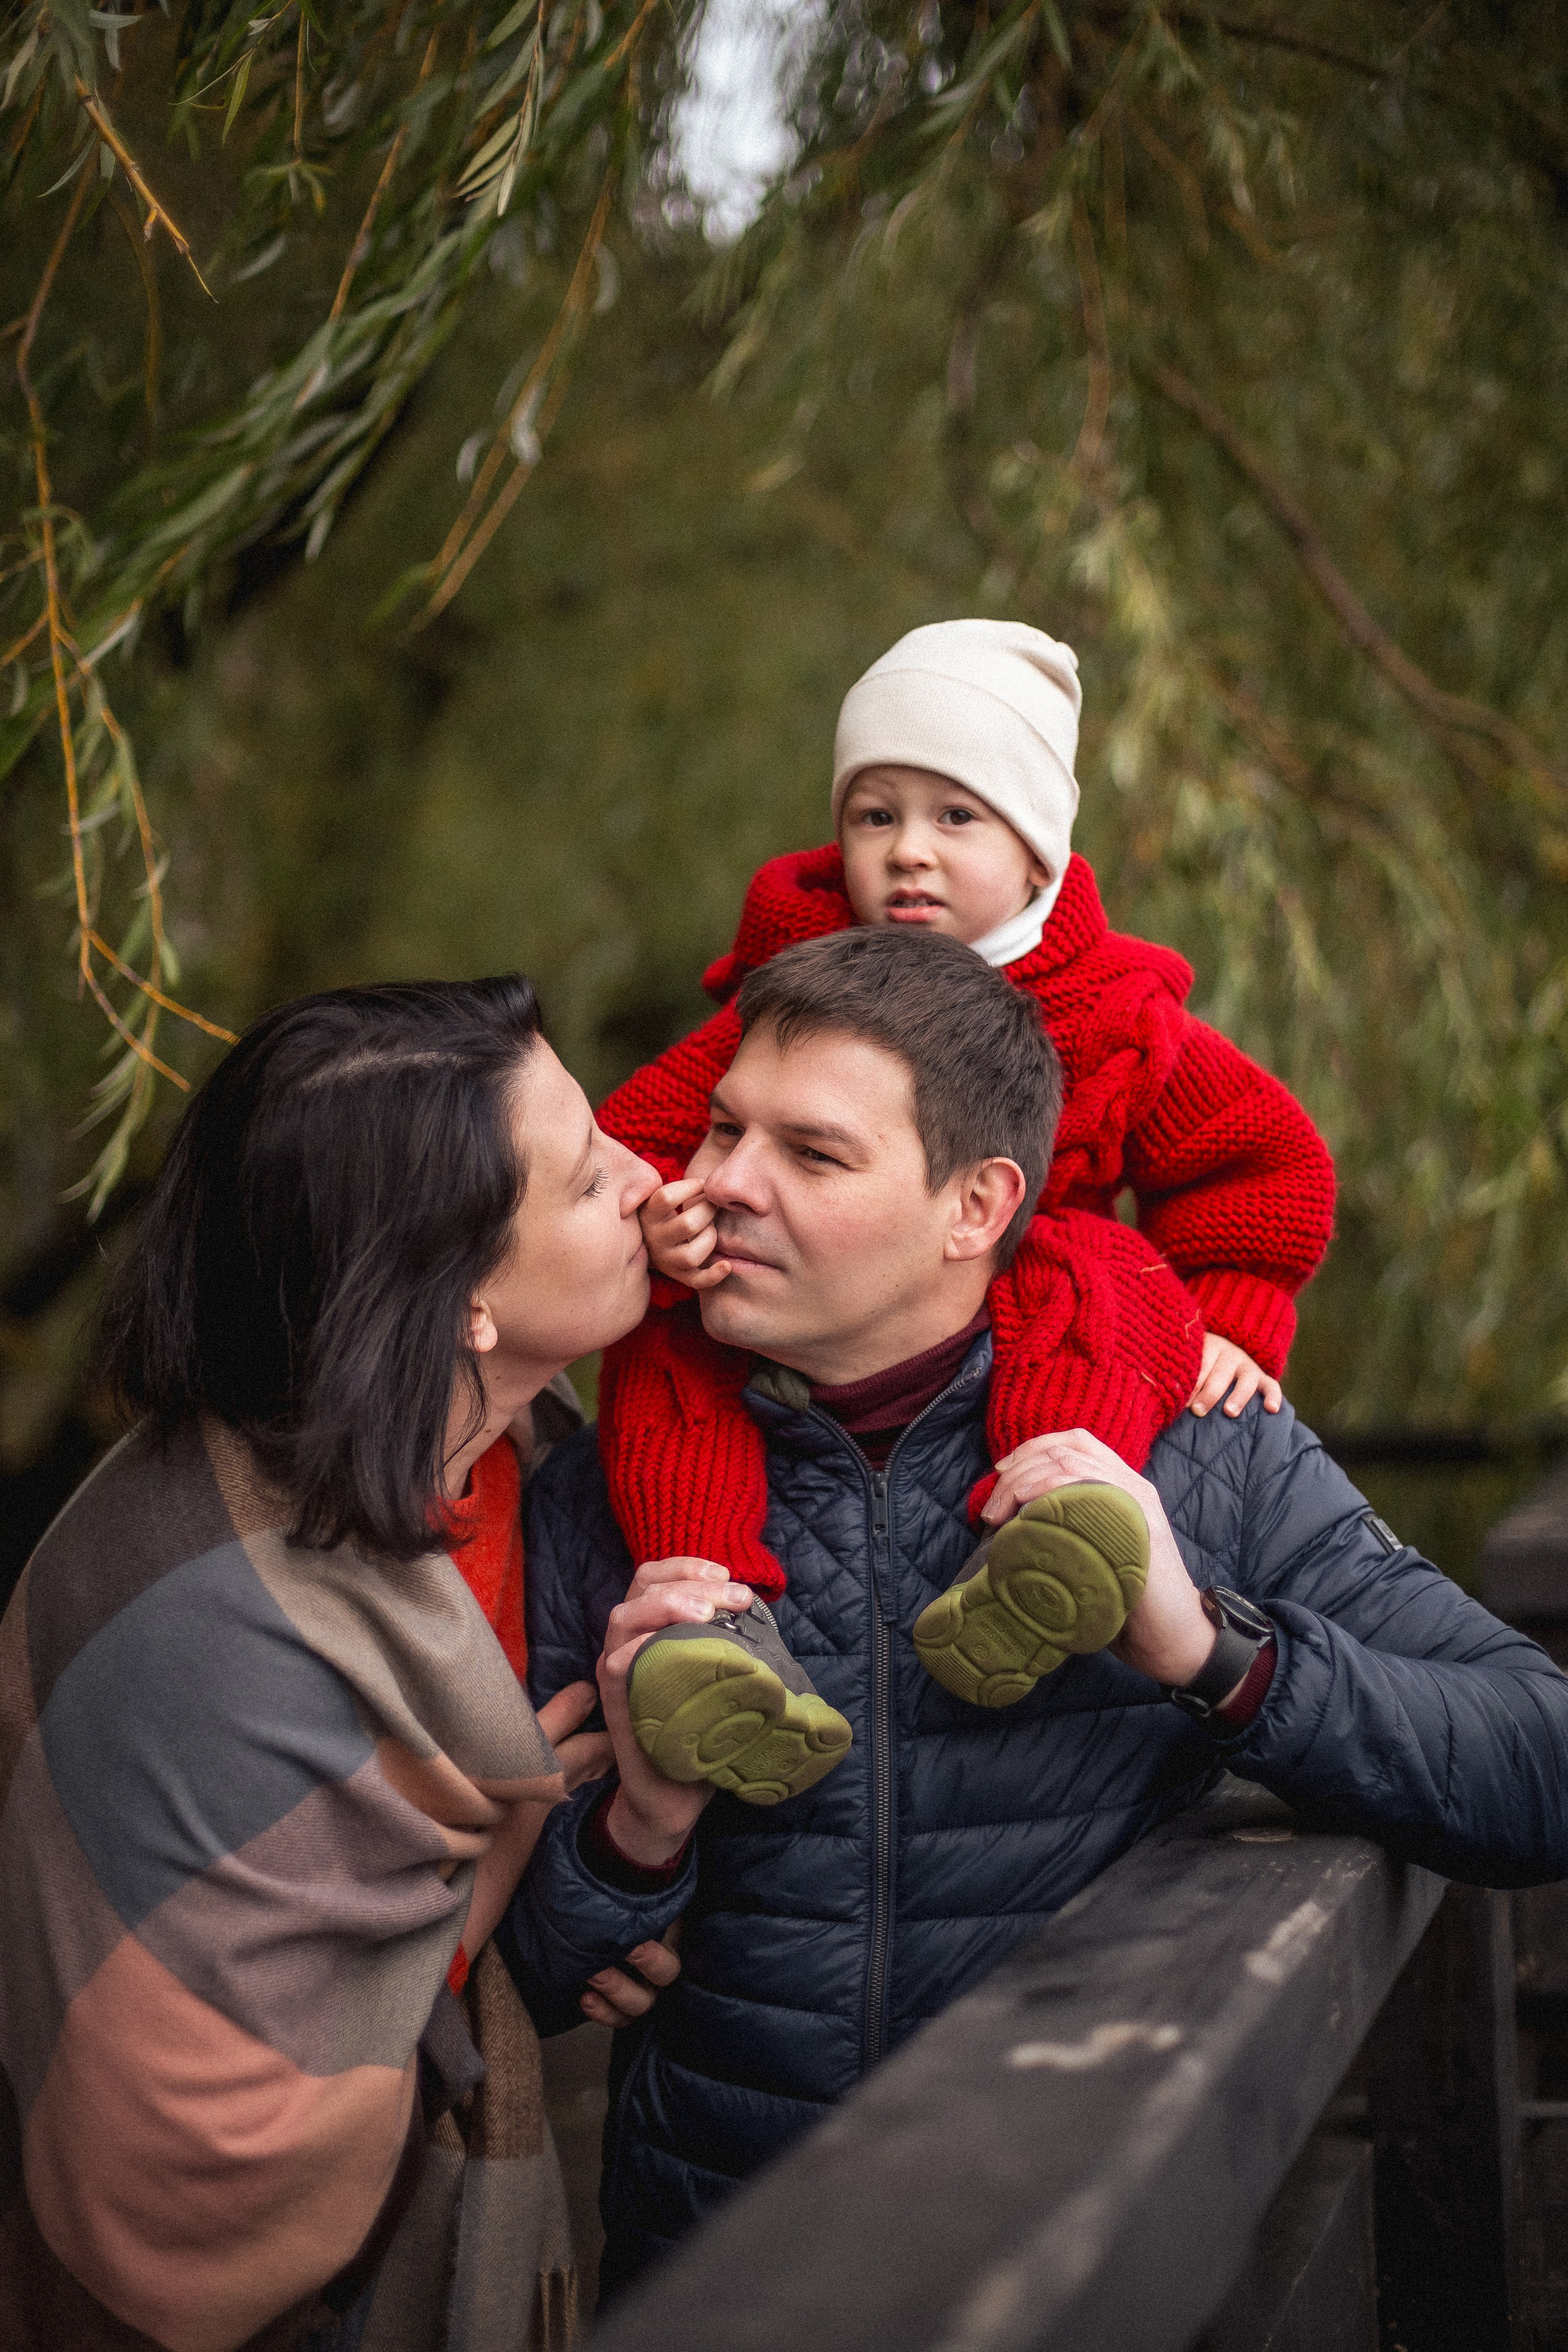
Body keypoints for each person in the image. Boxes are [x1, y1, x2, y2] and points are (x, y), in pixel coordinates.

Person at [508, 927, 1568, 2299]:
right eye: (719, 1132)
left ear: (975, 1206)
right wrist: (633, 1833)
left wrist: (1206, 1650)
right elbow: (509, 1976)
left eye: (811, 1156)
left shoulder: (1196, 1454)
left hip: (1105, 2258)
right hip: (726, 2273)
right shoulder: (617, 1489)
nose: (718, 1188)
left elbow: (1535, 1761)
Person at [0, 974, 678, 2352]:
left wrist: (589, 1893)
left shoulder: (532, 1459)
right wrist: (506, 1864)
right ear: (463, 1306)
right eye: (586, 1177)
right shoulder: (200, 1604)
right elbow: (211, 2151)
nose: (646, 1180)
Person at [592, 618, 1336, 1652]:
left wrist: (1232, 1319)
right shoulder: (799, 993)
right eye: (873, 814)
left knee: (1100, 1286)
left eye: (956, 817)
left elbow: (1261, 1157)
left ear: (1037, 855)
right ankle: (704, 1614)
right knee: (669, 1354)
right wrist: (671, 1228)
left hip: (1037, 1266)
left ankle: (1051, 1540)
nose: (907, 850)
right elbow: (640, 1139)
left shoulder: (1111, 1009)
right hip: (819, 1293)